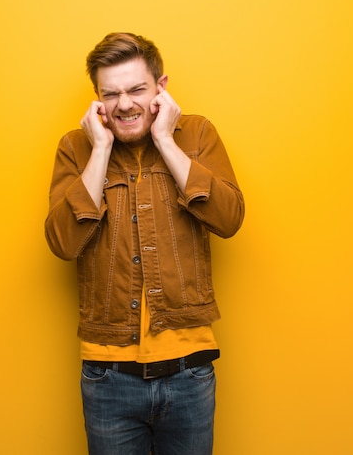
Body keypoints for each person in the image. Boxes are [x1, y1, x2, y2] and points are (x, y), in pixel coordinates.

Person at [45, 32, 244, 455]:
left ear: (161, 87)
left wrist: (167, 143)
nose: (125, 104)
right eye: (111, 94)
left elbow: (229, 219)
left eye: (137, 89)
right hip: (107, 374)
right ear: (98, 99)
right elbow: (63, 242)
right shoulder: (75, 148)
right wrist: (99, 151)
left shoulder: (197, 134)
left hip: (189, 371)